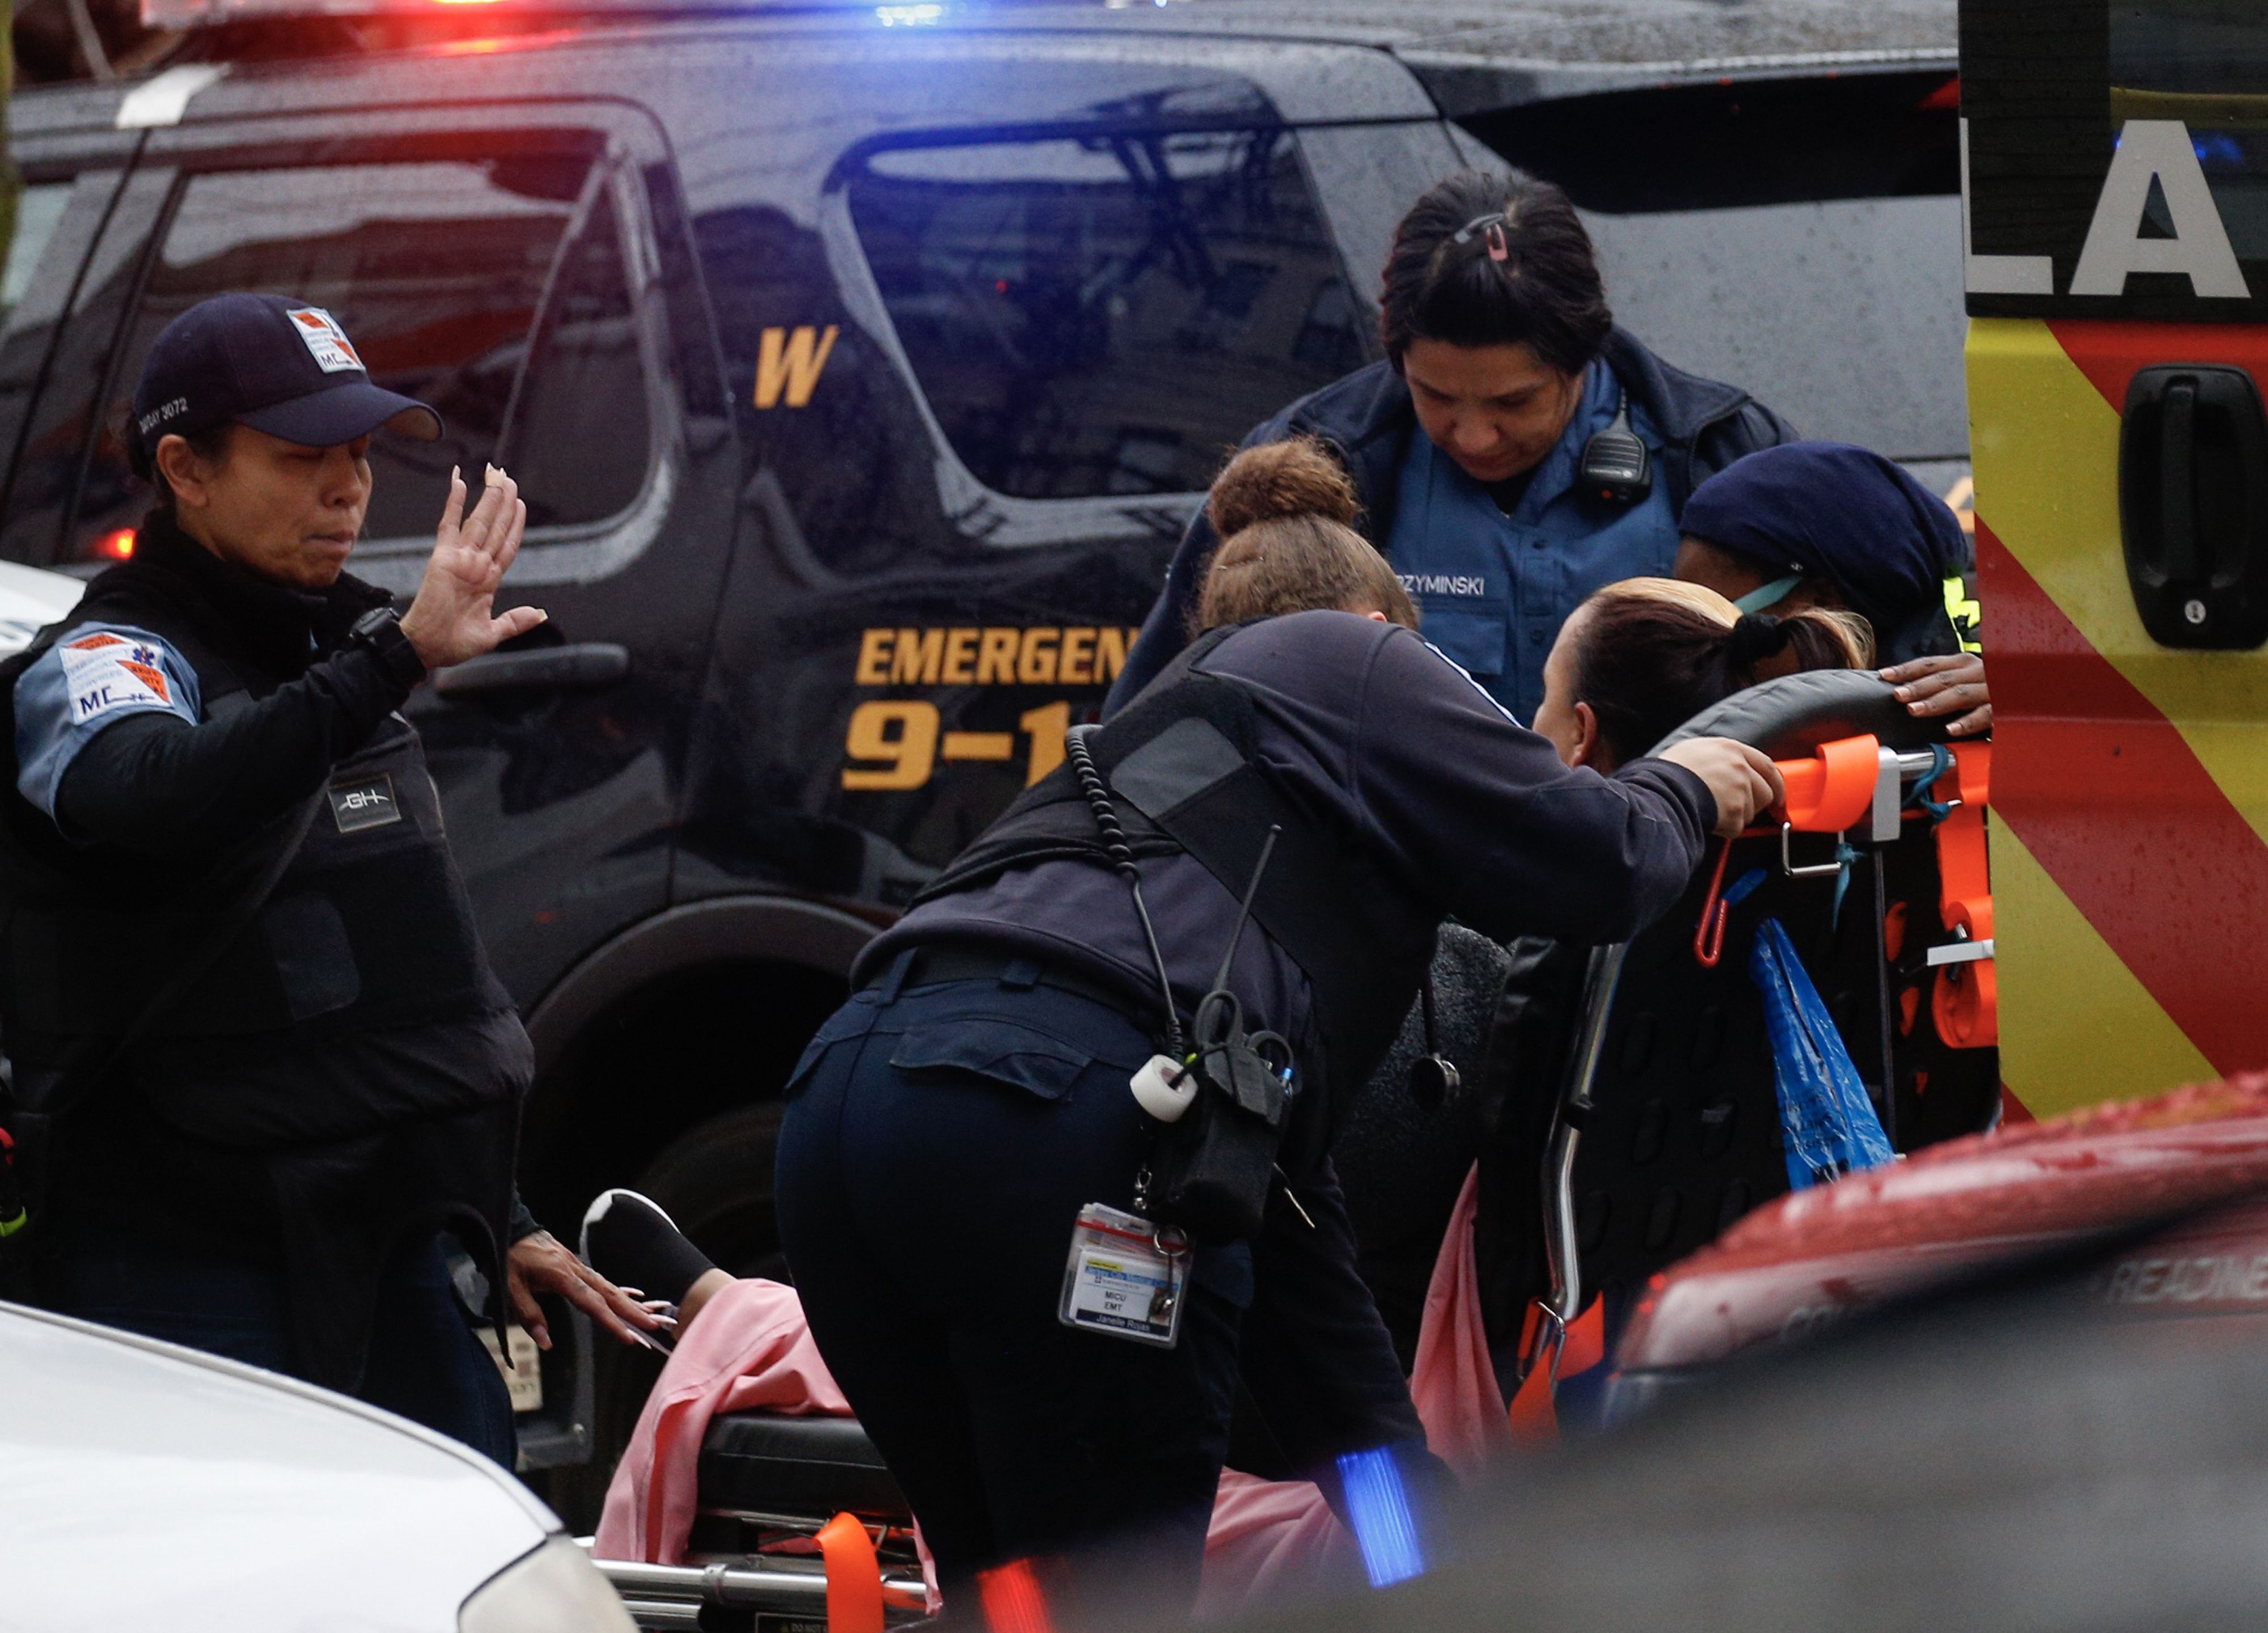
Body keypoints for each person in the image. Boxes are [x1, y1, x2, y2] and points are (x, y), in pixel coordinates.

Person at [768, 438, 1783, 1617]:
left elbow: (1322, 1357)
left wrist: (1422, 1568)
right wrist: (1682, 784)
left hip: (840, 1110)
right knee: (1110, 1597)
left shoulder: (1164, 804)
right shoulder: (1353, 656)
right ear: (1389, 626)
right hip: (1061, 1119)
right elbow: (1596, 859)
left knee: (1014, 1592)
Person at [0, 293, 657, 1463]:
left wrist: (491, 1212)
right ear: (184, 470)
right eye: (302, 456)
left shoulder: (337, 655)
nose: (347, 488)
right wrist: (393, 658)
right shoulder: (110, 657)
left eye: (356, 454)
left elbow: (385, 987)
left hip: (388, 1244)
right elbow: (155, 792)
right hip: (187, 1266)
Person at [1107, 171, 1796, 725]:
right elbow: (1158, 716)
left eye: (1513, 403)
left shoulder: (1721, 453)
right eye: (1433, 396)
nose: (1473, 436)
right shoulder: (1310, 469)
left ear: (1582, 358)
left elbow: (1864, 650)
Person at [1670, 440, 1990, 737]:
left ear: (1822, 604)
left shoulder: (1997, 708)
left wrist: (2032, 717)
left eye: (1712, 624)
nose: (1689, 655)